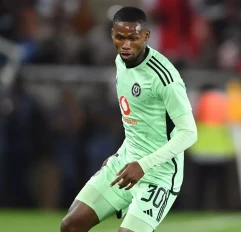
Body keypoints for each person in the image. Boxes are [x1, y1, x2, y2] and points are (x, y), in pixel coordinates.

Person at [61, 7, 197, 232]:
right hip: (125, 163)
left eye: (133, 38)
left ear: (146, 36)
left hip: (158, 176)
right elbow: (136, 121)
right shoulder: (120, 63)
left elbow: (189, 133)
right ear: (112, 35)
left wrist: (142, 165)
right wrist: (120, 154)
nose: (125, 44)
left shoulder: (164, 77)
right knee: (71, 225)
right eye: (119, 37)